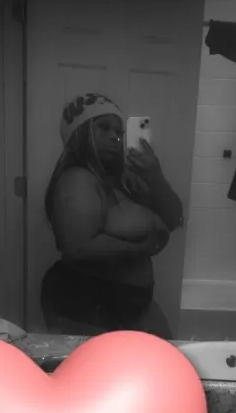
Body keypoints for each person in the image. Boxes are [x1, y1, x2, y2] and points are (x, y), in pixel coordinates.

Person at [41, 93, 184, 338]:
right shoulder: (78, 179)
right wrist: (145, 246)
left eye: (119, 131)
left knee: (164, 355)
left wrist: (155, 176)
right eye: (103, 127)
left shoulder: (123, 179)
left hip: (130, 306)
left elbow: (174, 218)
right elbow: (79, 247)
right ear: (80, 133)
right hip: (89, 305)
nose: (114, 137)